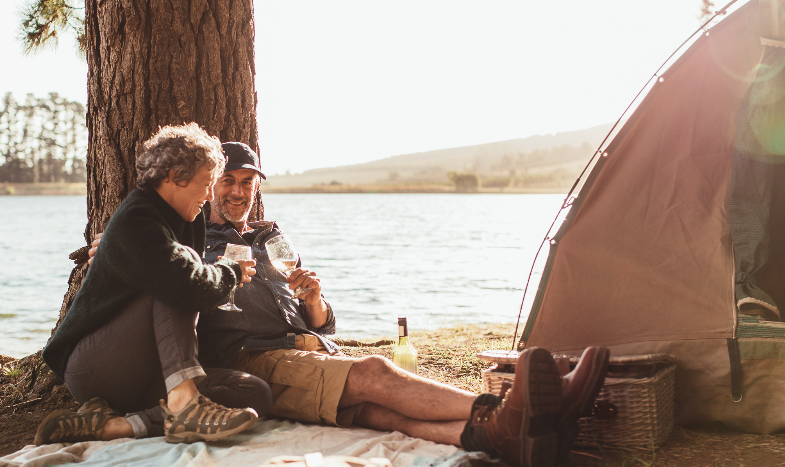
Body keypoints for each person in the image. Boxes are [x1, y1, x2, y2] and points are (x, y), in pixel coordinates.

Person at [194, 142, 610, 467]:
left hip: (310, 350)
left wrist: (315, 299)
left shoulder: (271, 238)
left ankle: (502, 434)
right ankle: (518, 408)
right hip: (257, 360)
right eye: (228, 180)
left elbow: (320, 325)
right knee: (375, 372)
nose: (238, 191)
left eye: (248, 182)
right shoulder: (197, 248)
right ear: (210, 184)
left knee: (382, 413)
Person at [36, 125, 272, 447]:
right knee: (182, 271)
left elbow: (193, 294)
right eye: (205, 184)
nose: (208, 195)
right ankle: (185, 405)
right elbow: (189, 288)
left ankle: (118, 426)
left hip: (150, 372)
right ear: (175, 177)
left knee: (252, 391)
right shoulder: (137, 219)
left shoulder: (188, 218)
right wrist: (229, 271)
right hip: (94, 367)